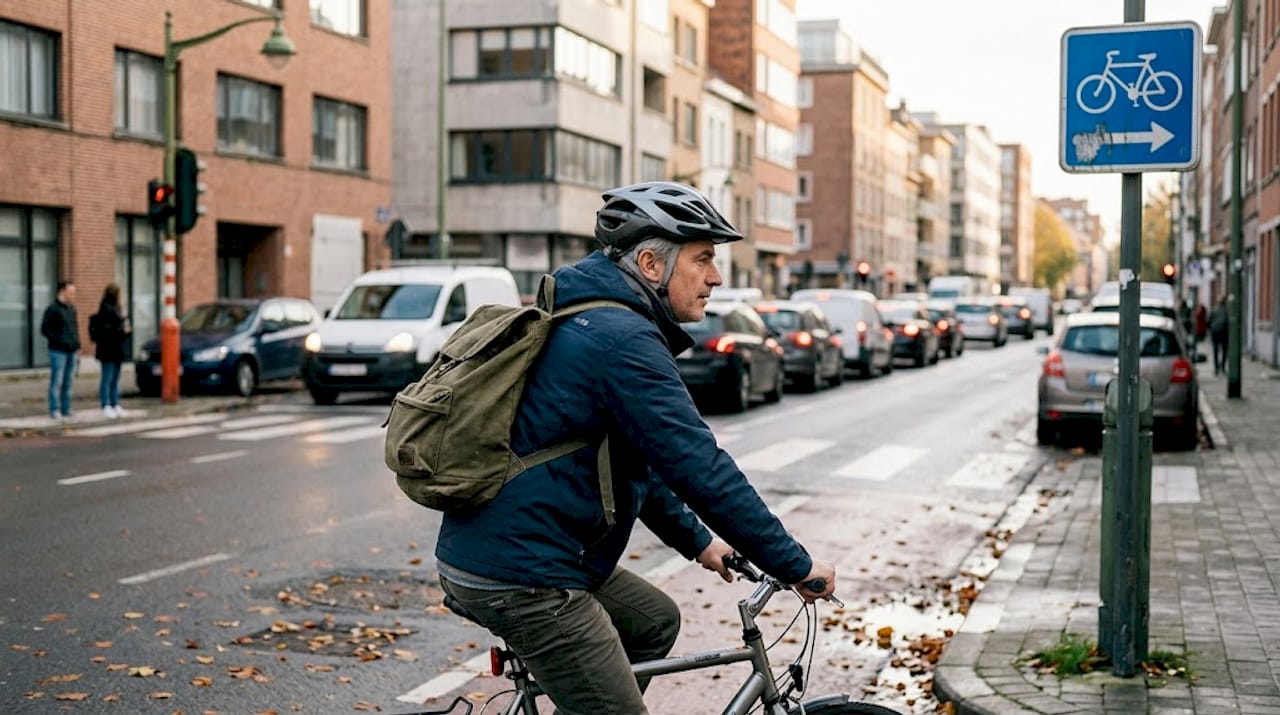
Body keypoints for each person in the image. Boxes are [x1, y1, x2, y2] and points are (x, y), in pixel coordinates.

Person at [433, 182, 836, 714]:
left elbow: (638, 461)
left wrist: (700, 543)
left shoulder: (598, 318)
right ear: (651, 263)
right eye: (703, 259)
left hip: (521, 550)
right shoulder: (621, 340)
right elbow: (699, 465)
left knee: (653, 623)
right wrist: (793, 564)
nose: (716, 277)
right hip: (524, 573)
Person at [40, 280, 80, 422]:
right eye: (70, 292)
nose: (73, 295)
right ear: (62, 292)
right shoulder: (53, 309)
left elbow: (74, 328)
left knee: (68, 380)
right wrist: (57, 339)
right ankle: (54, 409)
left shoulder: (72, 309)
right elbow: (45, 329)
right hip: (58, 350)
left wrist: (76, 344)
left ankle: (66, 408)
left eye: (74, 292)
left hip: (71, 349)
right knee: (57, 380)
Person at [90, 283, 131, 418]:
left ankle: (115, 403)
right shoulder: (106, 309)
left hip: (117, 349)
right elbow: (108, 330)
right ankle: (106, 404)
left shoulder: (118, 309)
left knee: (115, 378)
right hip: (108, 349)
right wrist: (122, 330)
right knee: (107, 377)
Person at [1209, 296, 1229, 375]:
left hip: (1215, 332)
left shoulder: (1214, 309)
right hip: (1224, 332)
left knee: (1216, 350)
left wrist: (1211, 328)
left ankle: (1216, 368)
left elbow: (1209, 320)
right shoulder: (1226, 310)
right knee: (1224, 350)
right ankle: (1222, 367)